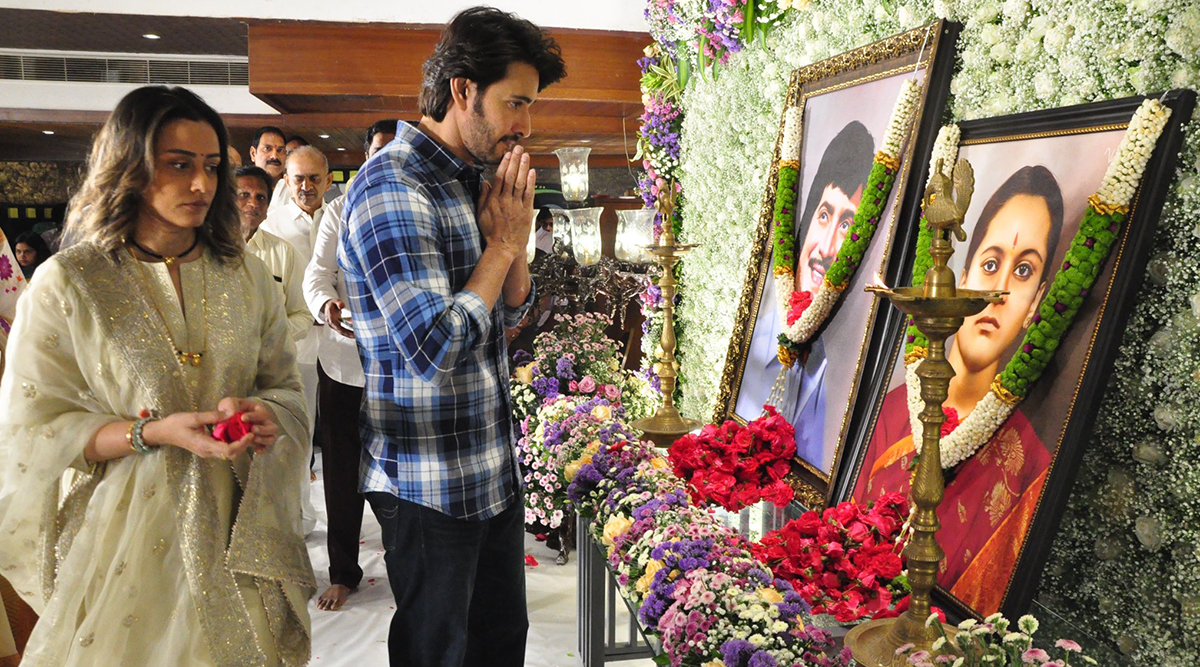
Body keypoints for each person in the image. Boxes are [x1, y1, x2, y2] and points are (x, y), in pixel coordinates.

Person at [0, 85, 315, 666]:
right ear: (130, 166)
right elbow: (33, 427)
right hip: (125, 532)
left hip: (235, 522)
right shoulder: (71, 282)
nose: (201, 185)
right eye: (178, 165)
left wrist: (267, 413)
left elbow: (283, 386)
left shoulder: (245, 275)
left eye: (211, 167)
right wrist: (152, 432)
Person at [339, 7, 564, 666]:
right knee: (437, 653)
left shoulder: (473, 179)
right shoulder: (392, 186)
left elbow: (511, 318)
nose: (526, 125)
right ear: (463, 90)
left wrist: (512, 247)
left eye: (531, 105)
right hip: (426, 485)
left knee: (500, 648)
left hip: (490, 471)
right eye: (515, 102)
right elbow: (433, 348)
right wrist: (502, 247)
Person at [853, 165, 1064, 615]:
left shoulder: (1029, 466)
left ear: (1036, 303)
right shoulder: (892, 412)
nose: (999, 292)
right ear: (962, 276)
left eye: (1023, 270)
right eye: (990, 264)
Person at [739, 121, 874, 474]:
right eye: (824, 215)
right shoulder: (753, 345)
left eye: (846, 225)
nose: (826, 248)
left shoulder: (834, 377)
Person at [302, 118, 396, 612]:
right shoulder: (339, 210)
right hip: (343, 361)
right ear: (365, 155)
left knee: (402, 469)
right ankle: (343, 572)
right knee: (341, 470)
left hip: (400, 364)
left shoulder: (416, 207)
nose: (388, 160)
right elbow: (316, 275)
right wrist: (327, 306)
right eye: (380, 151)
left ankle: (407, 563)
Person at [236, 165, 312, 343]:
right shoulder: (206, 251)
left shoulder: (284, 252)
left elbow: (303, 313)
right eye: (244, 195)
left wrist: (273, 335)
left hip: (269, 357)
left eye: (260, 197)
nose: (253, 203)